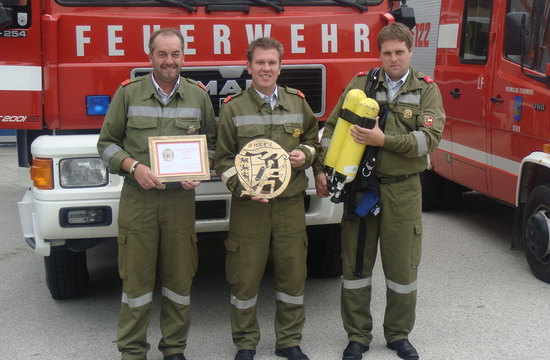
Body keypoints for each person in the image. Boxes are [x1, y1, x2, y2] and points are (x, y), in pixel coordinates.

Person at [314, 22, 445, 360]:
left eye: (399, 52)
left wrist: (382, 140)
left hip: (403, 190)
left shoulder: (426, 90)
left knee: (402, 268)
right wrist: (327, 170)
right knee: (356, 265)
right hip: (361, 189)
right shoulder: (362, 85)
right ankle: (357, 336)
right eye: (387, 53)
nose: (393, 59)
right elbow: (332, 129)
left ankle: (398, 335)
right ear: (380, 54)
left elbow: (427, 140)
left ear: (410, 52)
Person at [97, 28, 217, 360]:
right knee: (136, 283)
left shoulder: (198, 96)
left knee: (179, 280)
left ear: (183, 57)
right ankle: (133, 351)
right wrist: (134, 167)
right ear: (150, 56)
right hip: (138, 200)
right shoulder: (128, 94)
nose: (169, 61)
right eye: (162, 54)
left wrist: (200, 170)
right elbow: (105, 145)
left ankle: (174, 349)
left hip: (180, 202)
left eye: (175, 54)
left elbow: (214, 144)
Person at [214, 37, 319, 360]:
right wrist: (243, 188)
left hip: (289, 205)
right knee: (244, 277)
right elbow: (222, 160)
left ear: (280, 66)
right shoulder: (233, 108)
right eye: (260, 62)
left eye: (272, 62)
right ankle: (245, 343)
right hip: (250, 207)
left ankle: (289, 341)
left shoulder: (297, 103)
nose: (266, 68)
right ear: (249, 67)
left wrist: (306, 153)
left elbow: (315, 140)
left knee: (292, 272)